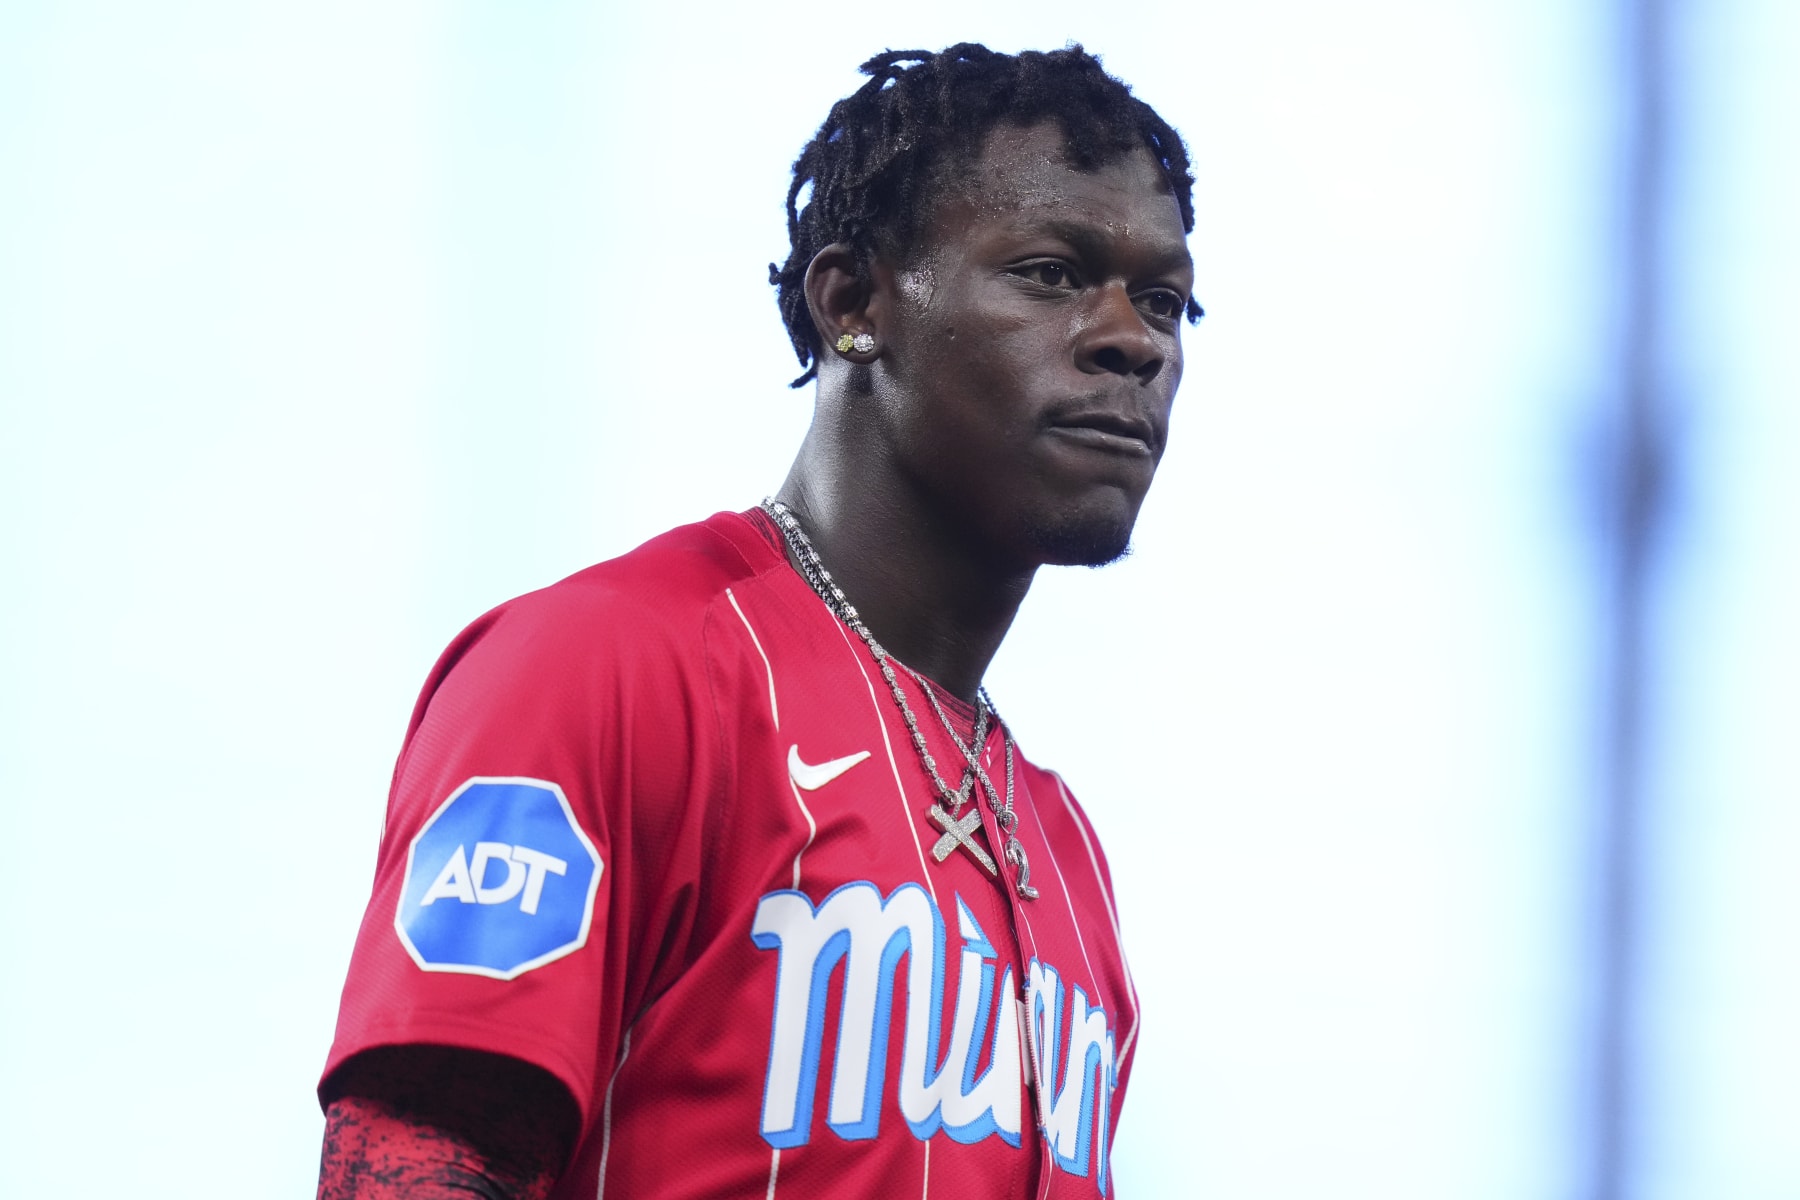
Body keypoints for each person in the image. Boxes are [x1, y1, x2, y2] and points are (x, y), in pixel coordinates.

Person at [317, 42, 1201, 1199]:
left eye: (1166, 299)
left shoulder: (1063, 850)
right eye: (1048, 272)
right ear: (851, 303)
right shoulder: (610, 667)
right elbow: (421, 1155)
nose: (1132, 338)